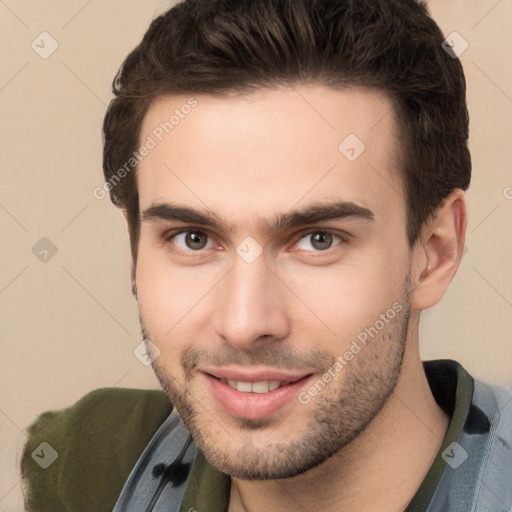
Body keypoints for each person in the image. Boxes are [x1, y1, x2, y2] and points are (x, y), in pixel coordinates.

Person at [21, 0, 512, 511]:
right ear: (134, 249)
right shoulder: (91, 465)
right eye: (193, 238)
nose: (244, 322)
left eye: (318, 239)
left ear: (434, 253)